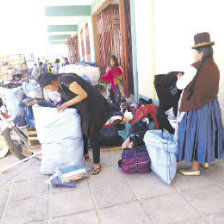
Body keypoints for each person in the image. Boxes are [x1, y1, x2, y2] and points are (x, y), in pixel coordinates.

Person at [38, 72, 111, 175]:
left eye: (49, 87)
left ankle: (96, 163)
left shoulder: (66, 80)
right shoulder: (59, 85)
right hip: (84, 107)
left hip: (94, 107)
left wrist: (65, 104)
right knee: (82, 130)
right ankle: (85, 154)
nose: (50, 90)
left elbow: (83, 94)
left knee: (92, 133)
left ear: (53, 81)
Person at [176, 32, 223, 176]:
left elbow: (180, 85)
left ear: (202, 53)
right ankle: (205, 160)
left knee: (195, 135)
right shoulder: (214, 67)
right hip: (211, 107)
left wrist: (180, 77)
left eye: (195, 53)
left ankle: (194, 168)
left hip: (197, 108)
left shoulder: (194, 68)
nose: (194, 56)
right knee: (206, 134)